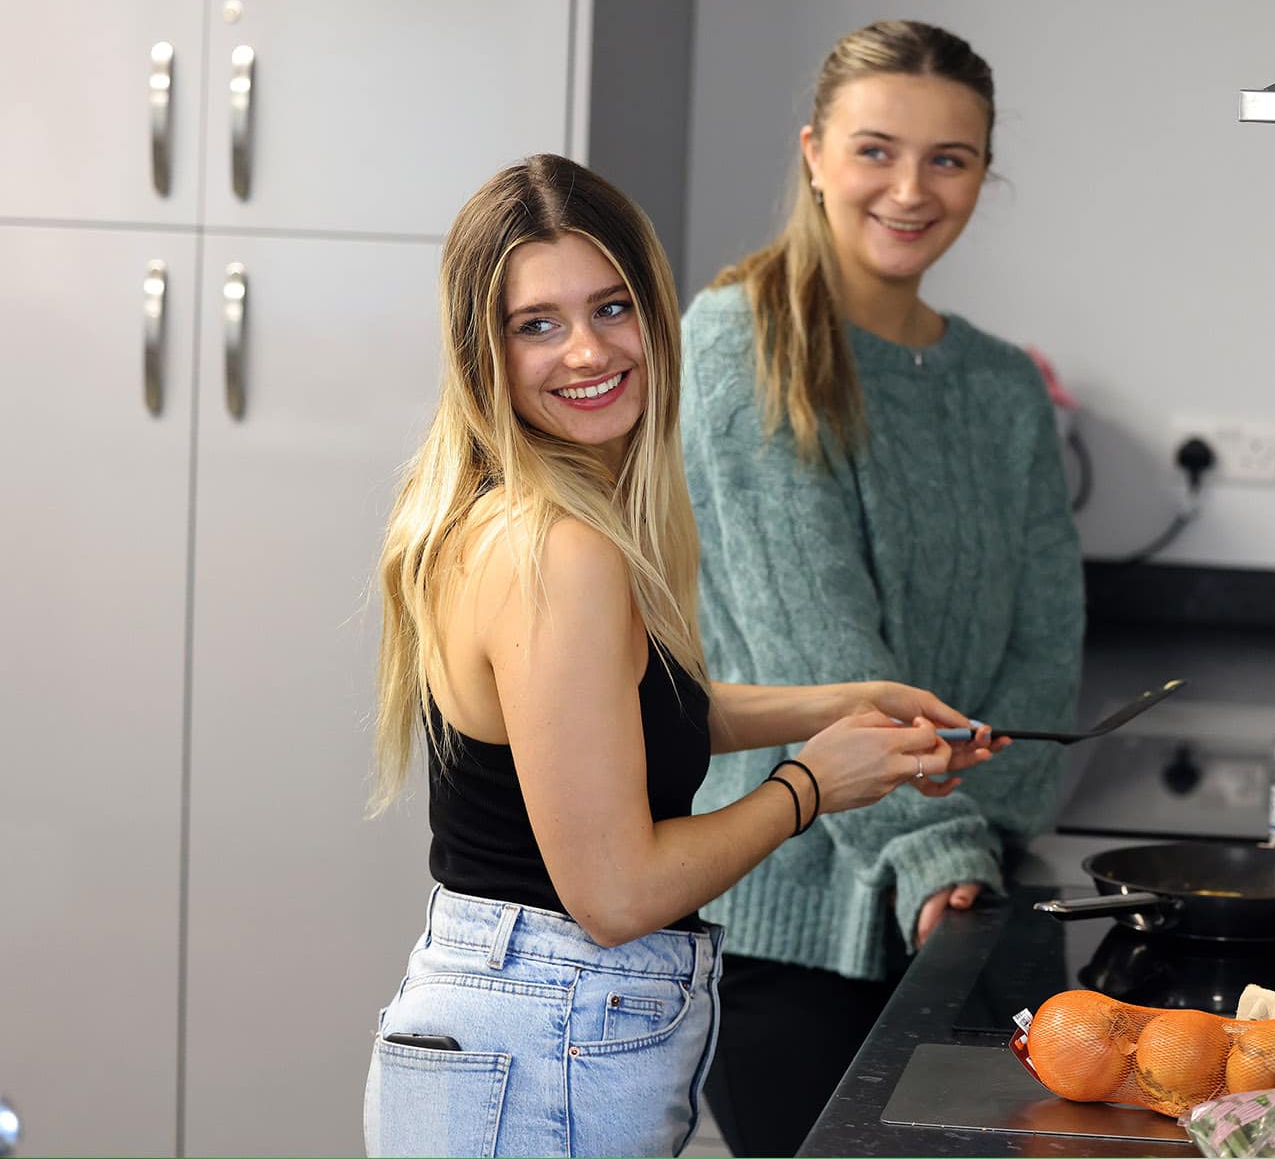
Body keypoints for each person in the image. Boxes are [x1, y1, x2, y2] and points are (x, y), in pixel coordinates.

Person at [361, 154, 1002, 1158]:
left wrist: (842, 704)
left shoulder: (512, 513)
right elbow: (616, 894)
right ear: (484, 350)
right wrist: (810, 785)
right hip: (546, 1040)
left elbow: (614, 725)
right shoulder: (559, 549)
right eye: (539, 323)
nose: (586, 350)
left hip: (521, 1027)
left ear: (656, 315)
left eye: (612, 307)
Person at [680, 19, 1085, 1155]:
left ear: (984, 174)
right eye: (875, 149)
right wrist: (937, 850)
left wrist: (976, 844)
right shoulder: (739, 339)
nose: (910, 188)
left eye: (949, 159)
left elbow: (1047, 641)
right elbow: (814, 650)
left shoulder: (1003, 385)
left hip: (962, 898)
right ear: (814, 152)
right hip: (785, 925)